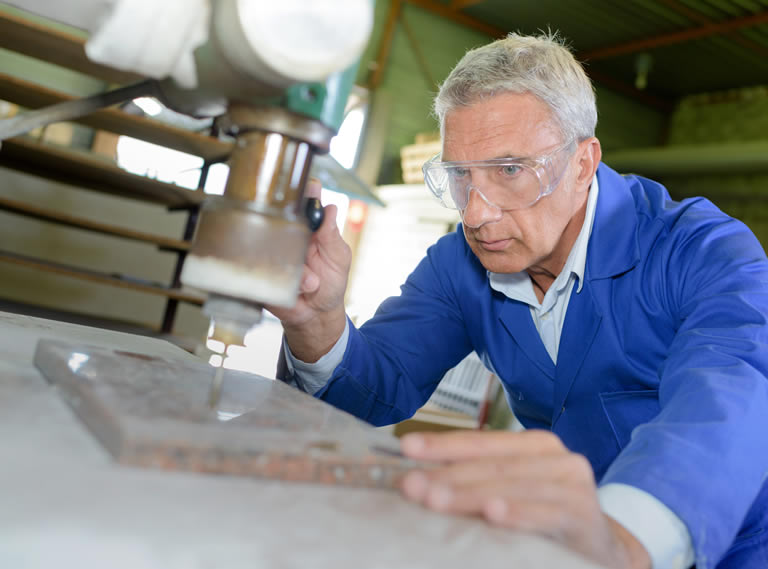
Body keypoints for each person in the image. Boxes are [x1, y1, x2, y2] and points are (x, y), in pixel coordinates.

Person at [268, 33, 768, 569]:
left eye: (509, 171)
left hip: (725, 547)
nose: (476, 214)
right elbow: (374, 387)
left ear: (582, 163)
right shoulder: (459, 264)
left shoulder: (703, 251)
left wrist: (625, 538)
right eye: (460, 176)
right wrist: (316, 316)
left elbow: (732, 398)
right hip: (568, 545)